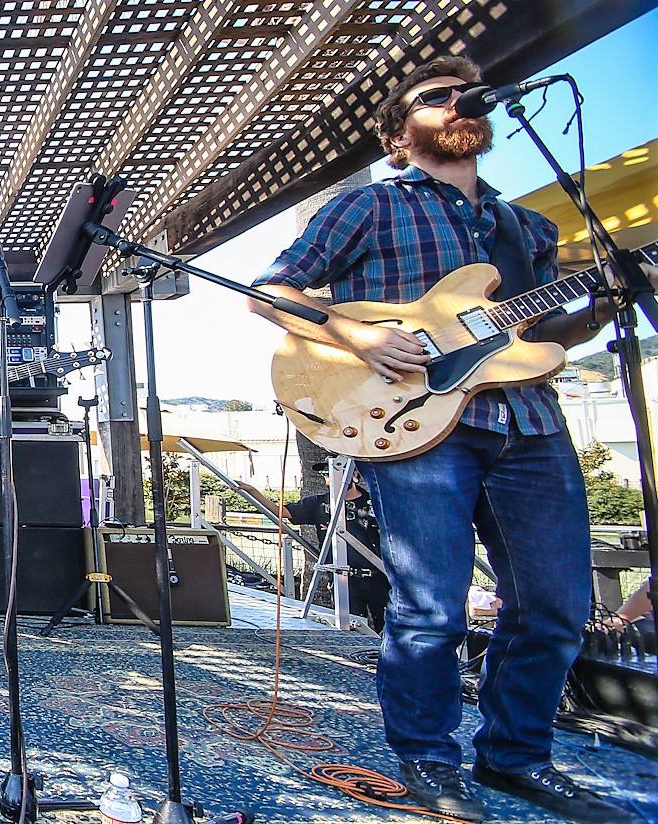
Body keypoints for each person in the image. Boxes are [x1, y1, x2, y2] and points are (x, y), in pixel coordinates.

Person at [248, 57, 637, 822]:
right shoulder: (372, 208)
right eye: (437, 96)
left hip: (529, 420)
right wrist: (359, 341)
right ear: (399, 137)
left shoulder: (529, 227)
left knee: (555, 604)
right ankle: (428, 759)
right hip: (419, 426)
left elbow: (545, 332)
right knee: (431, 606)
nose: (460, 99)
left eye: (466, 91)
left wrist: (596, 307)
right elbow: (273, 290)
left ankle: (517, 755)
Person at [282, 465, 389, 633]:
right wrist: (249, 491)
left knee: (388, 627)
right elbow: (283, 512)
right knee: (351, 631)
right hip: (344, 580)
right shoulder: (319, 504)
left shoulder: (376, 502)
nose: (331, 477)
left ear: (354, 474)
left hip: (379, 577)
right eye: (327, 474)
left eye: (337, 472)